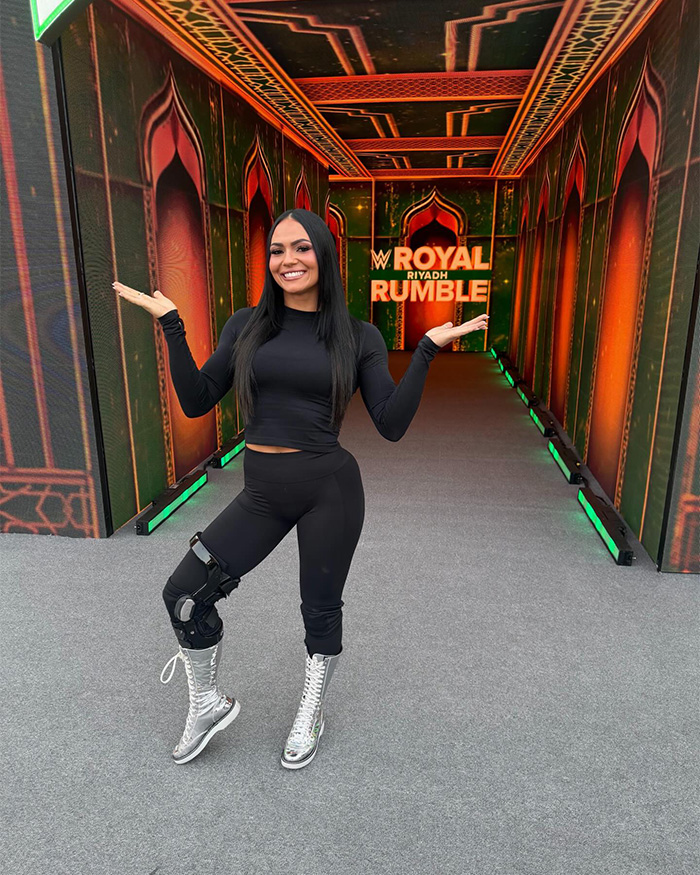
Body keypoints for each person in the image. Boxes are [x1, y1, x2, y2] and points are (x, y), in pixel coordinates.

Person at [113, 208, 488, 770]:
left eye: (301, 247)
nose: (287, 260)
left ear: (324, 254)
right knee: (185, 595)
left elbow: (390, 423)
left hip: (328, 491)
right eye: (277, 250)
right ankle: (208, 704)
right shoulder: (246, 325)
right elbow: (196, 399)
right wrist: (171, 323)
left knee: (319, 610)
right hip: (261, 494)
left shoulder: (357, 336)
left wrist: (427, 350)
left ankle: (311, 707)